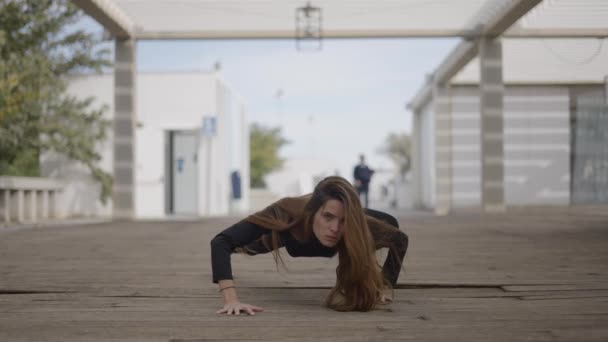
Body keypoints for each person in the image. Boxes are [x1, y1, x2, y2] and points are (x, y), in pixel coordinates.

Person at [210, 176, 409, 315]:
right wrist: (231, 299)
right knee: (248, 247)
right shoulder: (285, 211)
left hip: (340, 240)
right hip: (290, 235)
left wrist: (385, 286)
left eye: (343, 220)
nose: (334, 228)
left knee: (389, 223)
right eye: (328, 217)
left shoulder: (358, 225)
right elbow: (221, 242)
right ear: (313, 212)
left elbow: (400, 239)